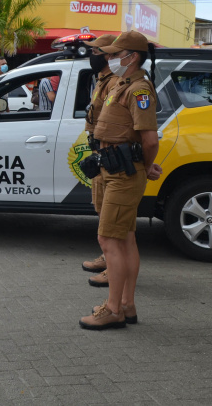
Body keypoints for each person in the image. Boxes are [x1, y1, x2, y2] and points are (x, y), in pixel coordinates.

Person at [79, 30, 163, 331]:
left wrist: (147, 165)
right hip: (113, 169)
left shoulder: (139, 89)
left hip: (123, 174)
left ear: (132, 57)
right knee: (124, 239)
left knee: (109, 239)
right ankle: (125, 305)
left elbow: (150, 139)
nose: (109, 59)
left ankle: (112, 310)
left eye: (115, 55)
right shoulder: (122, 85)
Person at [79, 34, 118, 285]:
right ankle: (107, 257)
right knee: (101, 207)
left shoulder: (115, 82)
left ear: (108, 55)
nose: (92, 56)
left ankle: (114, 268)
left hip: (111, 153)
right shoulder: (101, 79)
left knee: (111, 218)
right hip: (99, 153)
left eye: (96, 52)